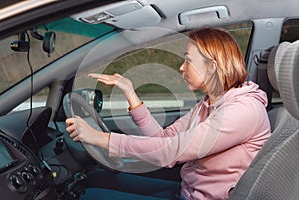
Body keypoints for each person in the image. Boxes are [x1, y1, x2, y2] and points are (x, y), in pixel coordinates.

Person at [66, 27, 271, 200]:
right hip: (187, 190)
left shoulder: (242, 111)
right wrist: (130, 93)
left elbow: (170, 152)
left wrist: (101, 138)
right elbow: (164, 138)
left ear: (211, 67)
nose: (182, 67)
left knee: (91, 195)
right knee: (96, 180)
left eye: (189, 61)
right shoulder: (209, 103)